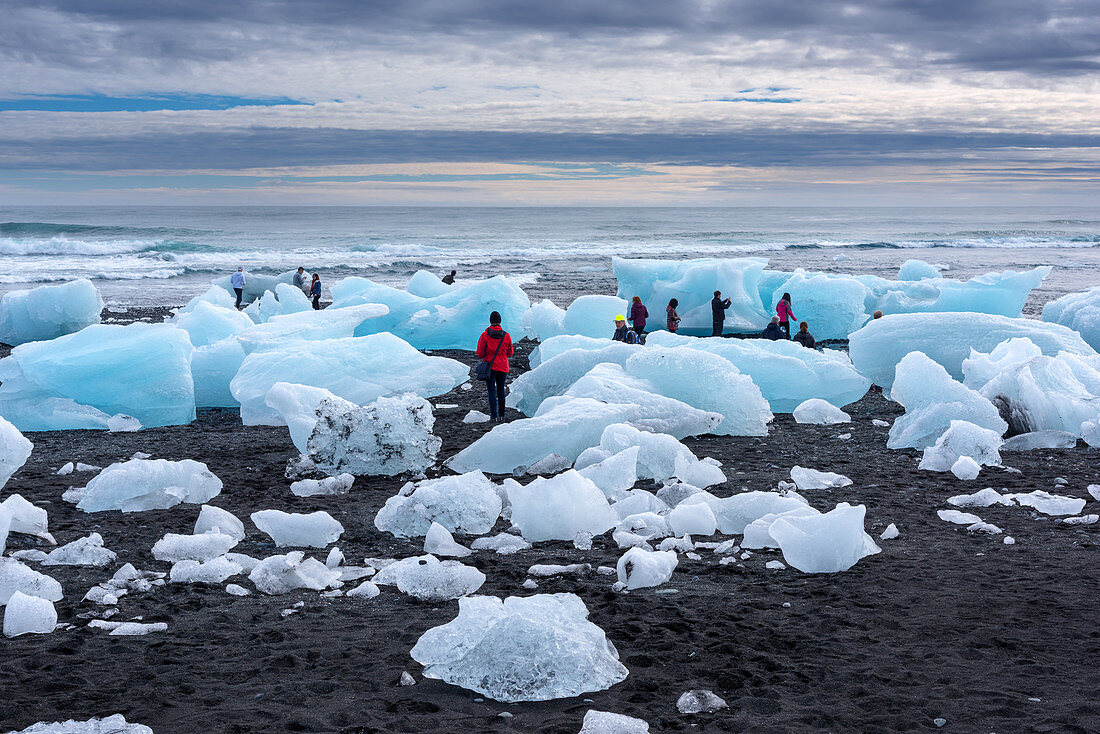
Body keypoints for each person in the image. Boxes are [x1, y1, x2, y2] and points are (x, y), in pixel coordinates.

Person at [475, 311, 514, 422]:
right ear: (500, 321)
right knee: (501, 391)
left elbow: (480, 353)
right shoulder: (506, 335)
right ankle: (501, 415)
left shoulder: (485, 335)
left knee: (491, 391)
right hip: (503, 367)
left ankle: (493, 416)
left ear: (490, 321)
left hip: (490, 368)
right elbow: (510, 353)